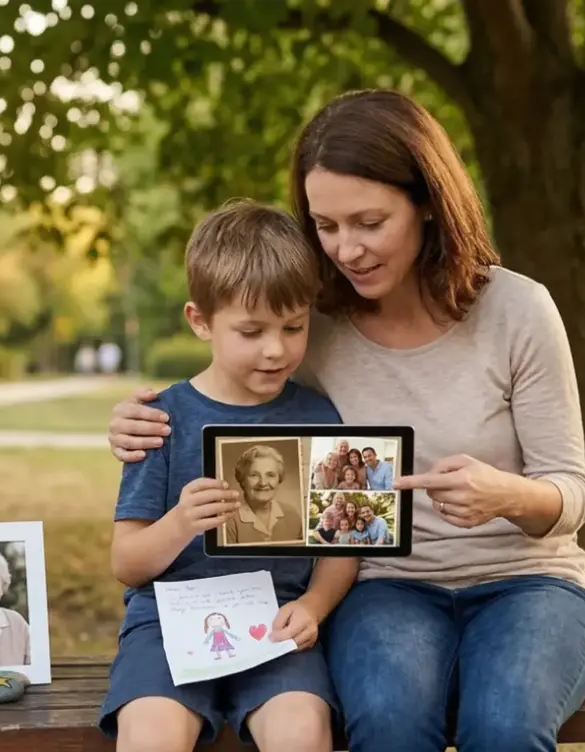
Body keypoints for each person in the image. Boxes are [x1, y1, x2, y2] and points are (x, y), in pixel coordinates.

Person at [105, 89, 585, 752]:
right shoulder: (310, 324)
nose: (346, 250)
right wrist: (135, 422)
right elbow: (233, 383)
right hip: (386, 586)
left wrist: (507, 495)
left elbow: (570, 493)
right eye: (325, 226)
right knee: (388, 720)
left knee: (503, 725)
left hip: (529, 583)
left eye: (369, 222)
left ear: (426, 202)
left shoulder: (518, 311)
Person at [100, 198, 359, 752]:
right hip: (167, 623)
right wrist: (179, 522)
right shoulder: (161, 421)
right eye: (251, 331)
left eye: (294, 327)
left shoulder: (319, 417)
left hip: (277, 624)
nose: (276, 349)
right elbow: (127, 563)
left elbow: (342, 547)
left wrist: (313, 607)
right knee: (150, 734)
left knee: (301, 730)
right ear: (200, 321)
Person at [222, 443, 306, 544]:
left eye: (270, 475)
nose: (263, 483)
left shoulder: (292, 515)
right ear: (242, 480)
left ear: (279, 479)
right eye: (254, 475)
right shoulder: (228, 520)